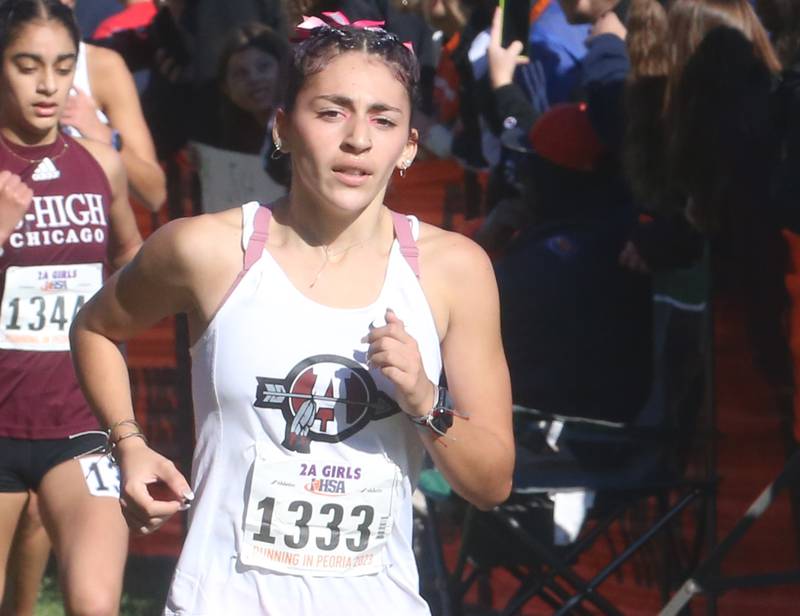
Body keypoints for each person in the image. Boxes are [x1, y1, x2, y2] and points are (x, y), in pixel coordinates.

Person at [70, 18, 514, 615]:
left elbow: (492, 484)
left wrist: (425, 401)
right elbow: (95, 326)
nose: (358, 138)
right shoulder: (206, 250)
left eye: (383, 119)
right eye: (332, 112)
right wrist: (128, 443)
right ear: (282, 127)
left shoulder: (454, 269)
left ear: (409, 143)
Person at [0, 2, 142, 616]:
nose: (48, 85)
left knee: (93, 603)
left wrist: (120, 321)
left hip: (80, 423)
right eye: (27, 66)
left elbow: (133, 254)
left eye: (62, 66)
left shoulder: (101, 162)